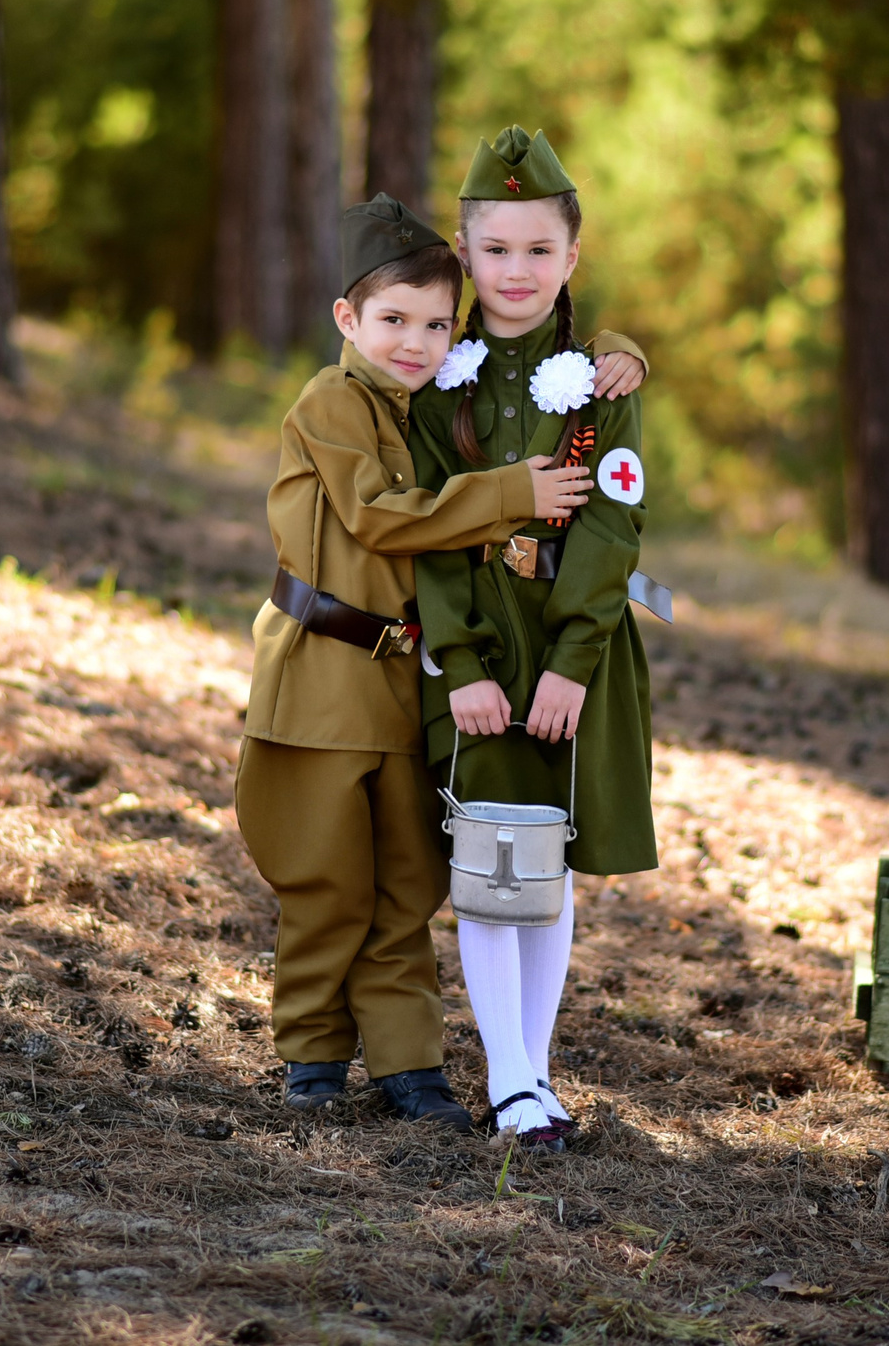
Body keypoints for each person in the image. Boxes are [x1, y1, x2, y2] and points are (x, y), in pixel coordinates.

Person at [235, 193, 646, 1126]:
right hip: (320, 677)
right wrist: (515, 492)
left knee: (407, 886)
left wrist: (621, 349)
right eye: (392, 321)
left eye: (432, 323)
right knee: (326, 881)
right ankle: (312, 1057)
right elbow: (382, 515)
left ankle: (410, 1065)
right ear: (348, 319)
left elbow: (529, 337)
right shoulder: (333, 403)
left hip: (396, 678)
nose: (416, 342)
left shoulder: (423, 401)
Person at [408, 127, 658, 1150]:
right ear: (464, 254)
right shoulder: (435, 382)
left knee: (543, 860)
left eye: (538, 250)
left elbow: (611, 523)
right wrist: (457, 662)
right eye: (495, 248)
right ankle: (508, 1079)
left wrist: (569, 661)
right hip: (473, 640)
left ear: (570, 259)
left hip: (569, 644)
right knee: (488, 854)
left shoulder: (602, 385)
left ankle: (534, 1069)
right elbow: (423, 527)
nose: (516, 270)